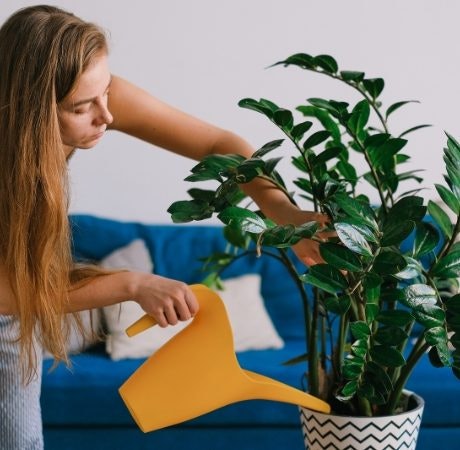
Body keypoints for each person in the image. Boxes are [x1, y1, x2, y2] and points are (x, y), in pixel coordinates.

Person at [0, 5, 327, 450]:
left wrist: (282, 211)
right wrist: (132, 284)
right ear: (29, 112)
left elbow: (217, 145)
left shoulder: (97, 96)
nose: (107, 116)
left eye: (106, 91)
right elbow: (9, 293)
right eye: (82, 107)